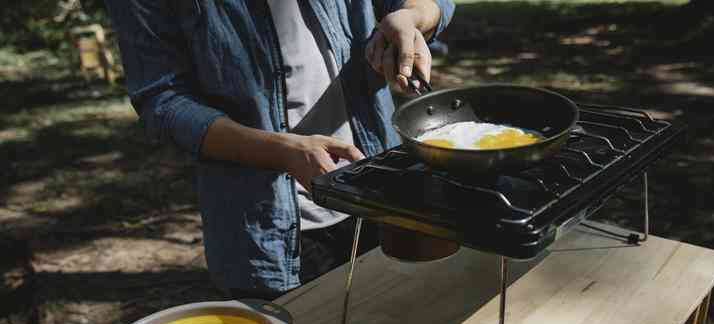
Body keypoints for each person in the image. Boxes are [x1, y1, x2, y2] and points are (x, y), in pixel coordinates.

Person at [103, 0, 455, 300]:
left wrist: (411, 17)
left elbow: (431, 4)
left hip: (381, 196)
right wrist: (280, 151)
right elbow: (163, 102)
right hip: (266, 233)